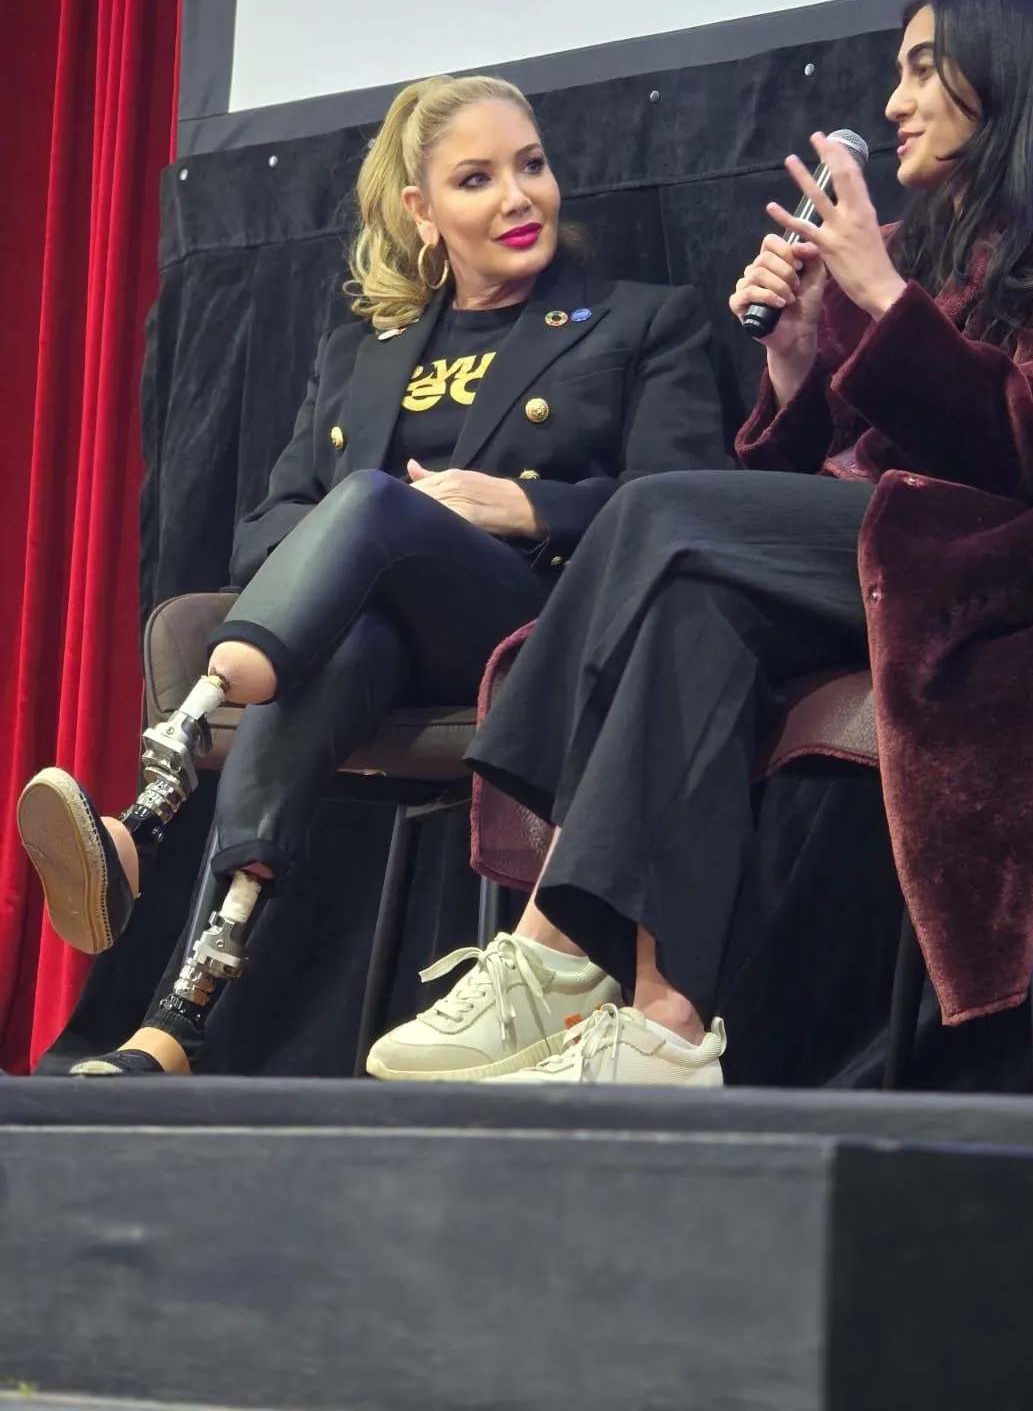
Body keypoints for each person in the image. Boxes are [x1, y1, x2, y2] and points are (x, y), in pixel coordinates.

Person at [367, 0, 1033, 1088]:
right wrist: (798, 354)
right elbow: (792, 479)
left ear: (1000, 75)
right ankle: (665, 1030)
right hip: (864, 547)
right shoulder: (912, 242)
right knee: (692, 610)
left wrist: (878, 294)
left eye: (918, 68)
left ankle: (552, 940)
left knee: (658, 508)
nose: (894, 102)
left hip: (1000, 558)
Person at [17, 73, 728, 1076]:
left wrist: (517, 506)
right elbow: (268, 524)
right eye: (478, 178)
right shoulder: (368, 351)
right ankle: (173, 1024)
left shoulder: (638, 323)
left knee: (373, 502)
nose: (520, 197)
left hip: (543, 629)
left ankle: (152, 805)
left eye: (532, 165)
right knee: (348, 627)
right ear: (421, 212)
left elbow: (689, 502)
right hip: (387, 646)